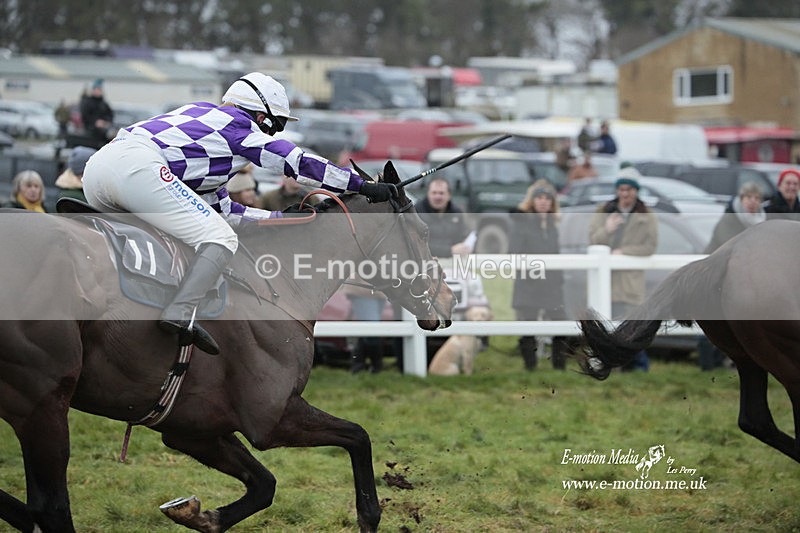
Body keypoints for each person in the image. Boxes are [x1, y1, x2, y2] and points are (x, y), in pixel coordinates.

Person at [82, 72, 397, 355]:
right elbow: (298, 162)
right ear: (260, 117)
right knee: (220, 239)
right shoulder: (237, 125)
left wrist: (279, 220)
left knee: (197, 231)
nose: (273, 134)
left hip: (98, 169)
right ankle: (180, 313)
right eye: (275, 126)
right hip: (138, 169)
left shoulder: (204, 127)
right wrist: (360, 185)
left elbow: (224, 210)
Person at [588, 176, 657, 371]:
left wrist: (624, 252)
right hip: (605, 281)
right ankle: (608, 365)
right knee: (606, 325)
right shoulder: (604, 212)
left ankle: (638, 367)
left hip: (630, 281)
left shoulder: (646, 215)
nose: (625, 194)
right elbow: (593, 240)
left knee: (633, 325)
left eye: (629, 190)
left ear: (636, 191)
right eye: (621, 190)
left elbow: (650, 246)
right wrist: (607, 229)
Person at [698, 181, 766, 371]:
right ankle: (707, 365)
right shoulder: (728, 220)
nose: (752, 202)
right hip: (718, 276)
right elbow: (729, 248)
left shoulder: (762, 221)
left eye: (756, 198)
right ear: (741, 199)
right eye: (748, 197)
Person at [509, 180, 567, 370]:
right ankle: (530, 368)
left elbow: (556, 254)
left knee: (561, 324)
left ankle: (559, 368)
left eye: (547, 199)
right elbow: (514, 252)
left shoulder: (553, 226)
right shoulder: (522, 223)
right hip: (529, 284)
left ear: (552, 202)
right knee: (528, 327)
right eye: (539, 198)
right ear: (532, 201)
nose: (543, 202)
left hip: (551, 285)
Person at [79, 79, 114, 148]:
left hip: (103, 131)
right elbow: (85, 116)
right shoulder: (87, 102)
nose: (98, 91)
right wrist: (95, 122)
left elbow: (110, 115)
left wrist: (105, 122)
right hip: (90, 131)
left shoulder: (104, 103)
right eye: (96, 89)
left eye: (99, 90)